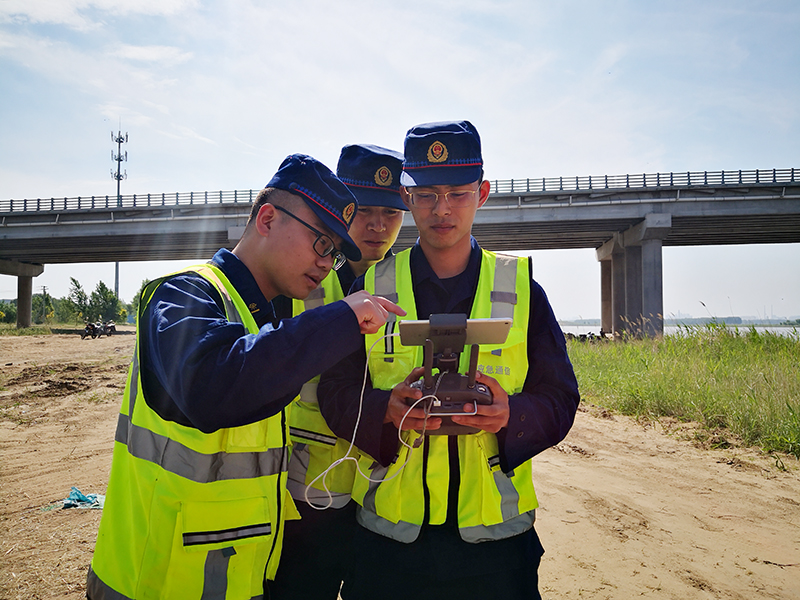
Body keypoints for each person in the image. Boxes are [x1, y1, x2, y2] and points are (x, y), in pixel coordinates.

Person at [86, 154, 404, 600]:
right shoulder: (184, 293)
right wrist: (340, 321)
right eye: (320, 243)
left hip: (230, 578)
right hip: (152, 581)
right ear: (269, 218)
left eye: (333, 253)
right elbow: (213, 386)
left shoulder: (263, 324)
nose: (324, 263)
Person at [317, 121, 581, 600]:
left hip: (494, 547)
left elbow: (561, 396)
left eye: (457, 193)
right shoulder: (368, 288)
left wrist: (511, 416)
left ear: (481, 193)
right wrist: (385, 410)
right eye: (427, 195)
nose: (442, 209)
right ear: (407, 196)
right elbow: (335, 392)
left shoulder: (523, 289)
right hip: (388, 543)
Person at [269, 144, 407, 599]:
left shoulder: (409, 284)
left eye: (391, 212)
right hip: (304, 496)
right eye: (364, 209)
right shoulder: (296, 281)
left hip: (382, 496)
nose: (377, 225)